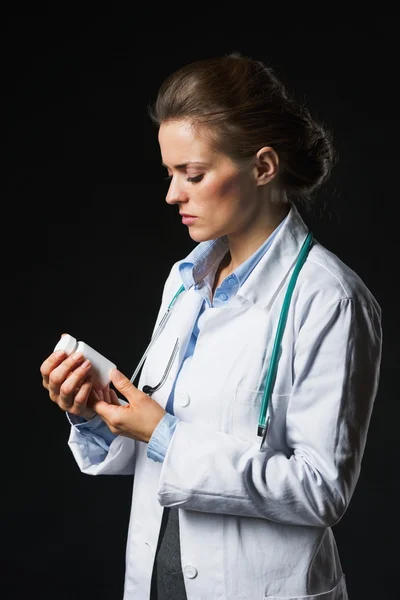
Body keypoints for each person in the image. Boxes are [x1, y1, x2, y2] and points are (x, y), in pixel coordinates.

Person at [40, 53, 382, 600]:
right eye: (169, 174)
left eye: (192, 174)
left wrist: (162, 433)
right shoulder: (184, 282)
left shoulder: (330, 299)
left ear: (263, 167)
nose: (173, 195)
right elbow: (160, 456)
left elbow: (321, 491)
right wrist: (100, 416)